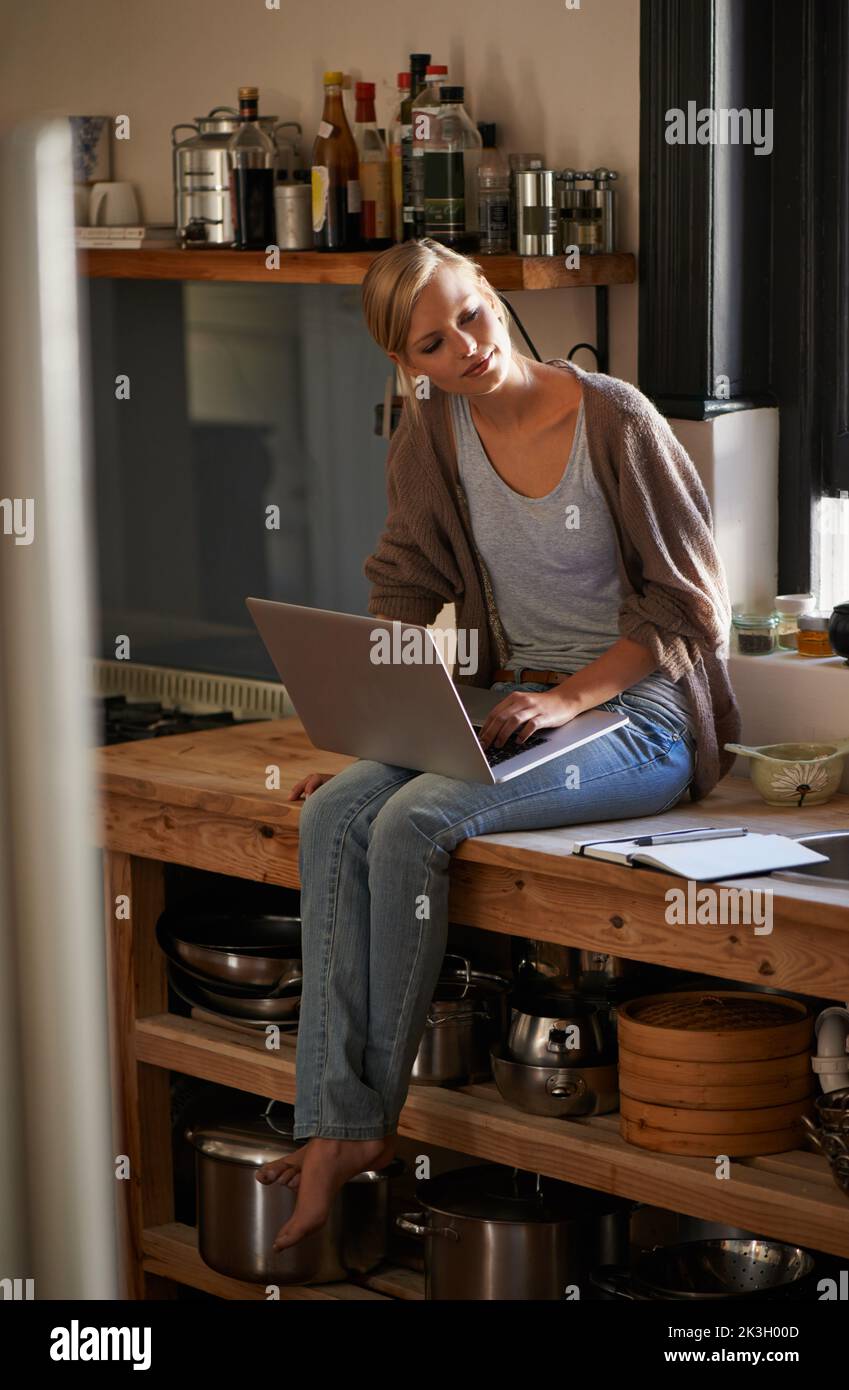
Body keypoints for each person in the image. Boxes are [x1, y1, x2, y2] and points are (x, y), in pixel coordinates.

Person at [255, 238, 742, 1251]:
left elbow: (692, 608)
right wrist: (375, 733)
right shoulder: (431, 434)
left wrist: (570, 696)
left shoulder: (614, 418)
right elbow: (404, 582)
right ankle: (333, 1120)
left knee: (414, 822)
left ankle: (356, 1130)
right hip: (514, 702)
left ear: (489, 289)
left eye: (468, 316)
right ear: (411, 364)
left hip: (639, 717)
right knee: (345, 809)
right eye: (432, 343)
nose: (466, 348)